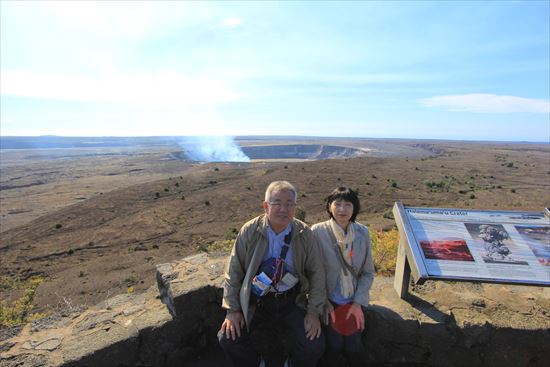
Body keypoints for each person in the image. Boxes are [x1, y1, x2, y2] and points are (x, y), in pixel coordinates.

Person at [218, 180, 325, 367]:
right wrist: (233, 309)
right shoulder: (250, 230)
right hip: (257, 301)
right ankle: (257, 363)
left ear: (295, 207)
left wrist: (313, 312)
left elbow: (317, 274)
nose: (283, 209)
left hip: (292, 301)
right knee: (228, 339)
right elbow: (233, 271)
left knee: (313, 344)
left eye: (289, 204)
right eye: (277, 203)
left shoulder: (304, 233)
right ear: (266, 206)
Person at [311, 187, 375, 367]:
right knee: (334, 346)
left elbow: (368, 272)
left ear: (355, 208)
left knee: (354, 347)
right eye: (337, 204)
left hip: (353, 301)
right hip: (329, 301)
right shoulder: (318, 232)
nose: (342, 209)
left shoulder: (362, 233)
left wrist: (358, 303)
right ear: (329, 206)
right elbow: (312, 271)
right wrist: (323, 300)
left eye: (347, 204)